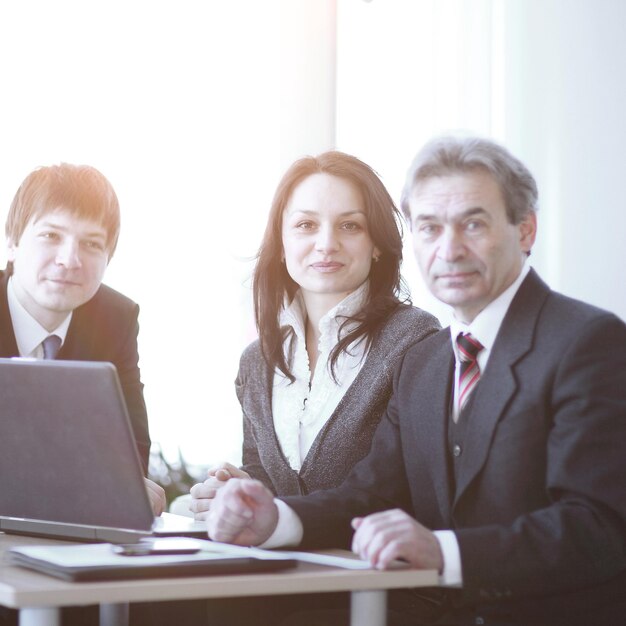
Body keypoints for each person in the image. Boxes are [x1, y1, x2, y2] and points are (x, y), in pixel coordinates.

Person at [207, 136, 626, 626]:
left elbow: (600, 525)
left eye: (473, 223)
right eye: (429, 227)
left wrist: (444, 552)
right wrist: (275, 519)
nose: (449, 248)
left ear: (526, 230)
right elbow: (371, 494)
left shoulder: (588, 342)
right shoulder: (427, 361)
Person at [188, 150, 440, 516]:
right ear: (281, 243)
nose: (326, 244)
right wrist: (239, 492)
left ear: (376, 246)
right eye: (306, 225)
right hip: (283, 570)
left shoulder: (414, 339)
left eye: (350, 225)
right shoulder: (257, 362)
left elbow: (395, 488)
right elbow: (271, 486)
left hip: (379, 569)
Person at [0, 164, 165, 626]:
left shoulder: (115, 316)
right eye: (51, 236)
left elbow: (131, 448)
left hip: (67, 551)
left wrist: (132, 488)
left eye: (92, 244)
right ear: (12, 243)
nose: (70, 259)